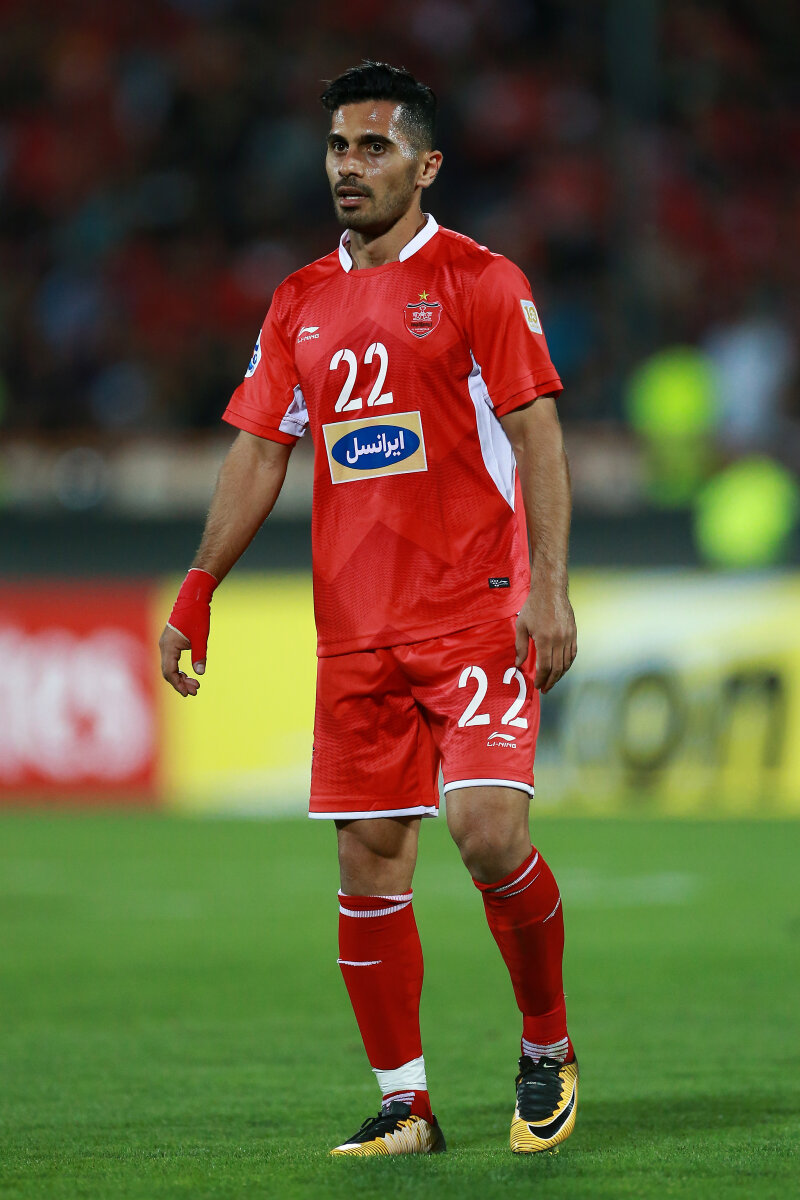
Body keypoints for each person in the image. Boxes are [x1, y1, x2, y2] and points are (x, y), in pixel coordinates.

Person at [160, 60, 578, 1159]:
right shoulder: (298, 299)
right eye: (339, 147)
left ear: (425, 165)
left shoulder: (482, 280)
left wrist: (549, 586)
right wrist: (199, 586)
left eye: (374, 147)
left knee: (487, 833)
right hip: (356, 632)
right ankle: (407, 1105)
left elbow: (535, 433)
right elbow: (260, 451)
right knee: (369, 866)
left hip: (478, 608)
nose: (350, 166)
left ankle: (546, 1046)